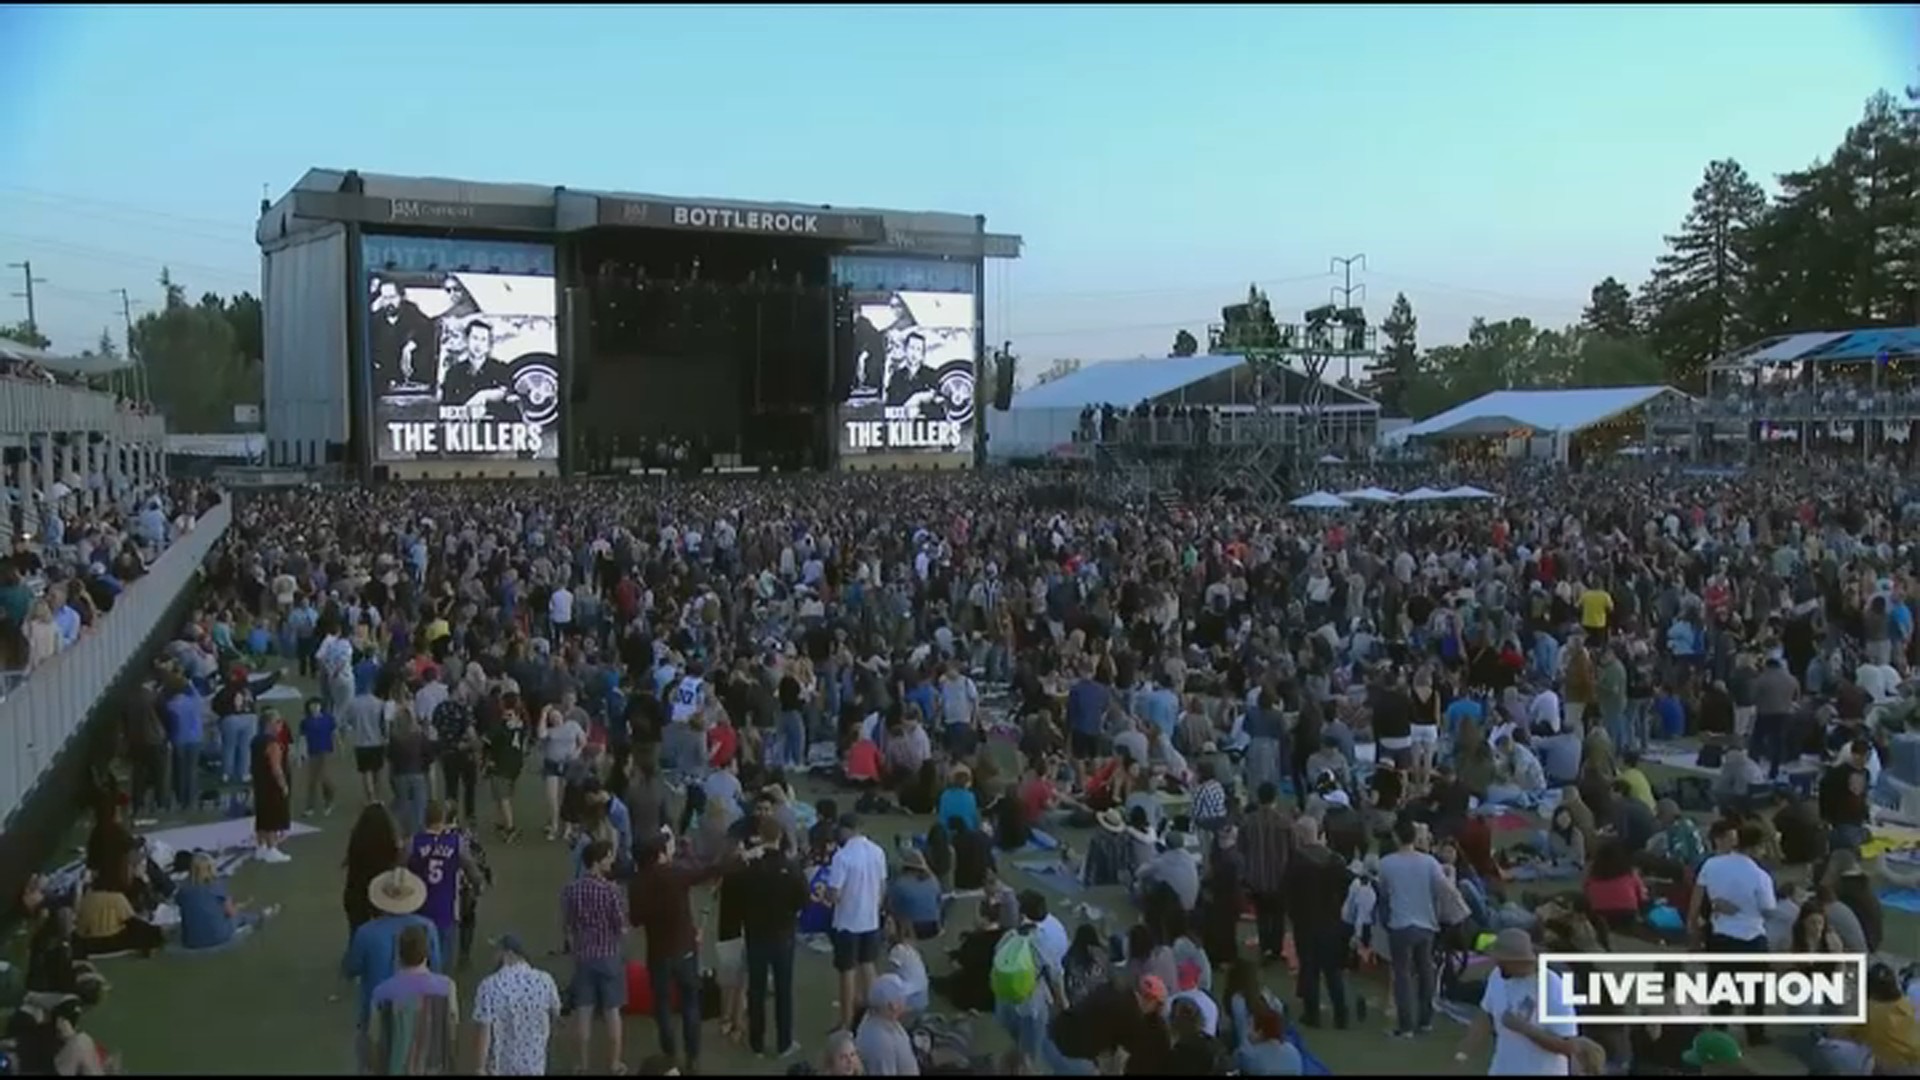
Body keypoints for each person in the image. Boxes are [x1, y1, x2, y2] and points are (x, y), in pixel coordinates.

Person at [343, 869, 443, 1074]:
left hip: (376, 1011)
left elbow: (351, 968)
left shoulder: (366, 932)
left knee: (372, 1064)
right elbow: (437, 966)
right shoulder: (427, 928)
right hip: (419, 1009)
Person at [1454, 928, 1579, 1075]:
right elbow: (1485, 1016)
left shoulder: (1552, 986)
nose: (1496, 963)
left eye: (1501, 961)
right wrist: (1463, 1054)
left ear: (1517, 960)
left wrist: (1524, 1028)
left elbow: (1568, 1046)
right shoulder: (1497, 976)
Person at [561, 838, 629, 1075]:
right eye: (608, 857)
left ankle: (582, 1064)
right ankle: (614, 1063)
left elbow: (568, 925)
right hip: (609, 956)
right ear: (598, 862)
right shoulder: (611, 891)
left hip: (584, 957)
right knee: (612, 1013)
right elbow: (620, 925)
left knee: (583, 1012)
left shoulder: (571, 889)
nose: (611, 861)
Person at [368, 923, 459, 1076]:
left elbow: (375, 1039)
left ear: (399, 954)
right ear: (427, 953)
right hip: (434, 1067)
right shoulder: (447, 987)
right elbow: (452, 1030)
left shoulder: (381, 992)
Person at [826, 813, 889, 1030]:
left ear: (846, 830)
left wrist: (826, 896)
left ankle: (846, 1020)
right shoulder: (878, 851)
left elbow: (834, 894)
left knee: (847, 971)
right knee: (868, 966)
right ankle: (876, 1014)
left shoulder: (842, 857)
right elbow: (882, 887)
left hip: (847, 921)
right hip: (870, 919)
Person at [469, 933, 562, 1077]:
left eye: (497, 951)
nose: (494, 956)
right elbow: (555, 1015)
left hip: (501, 1065)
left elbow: (484, 1030)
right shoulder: (545, 980)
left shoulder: (489, 985)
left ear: (508, 954)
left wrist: (479, 1067)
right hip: (535, 1063)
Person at [175, 851, 274, 950]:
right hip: (219, 937)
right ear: (211, 868)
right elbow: (230, 913)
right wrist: (237, 908)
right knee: (240, 917)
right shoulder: (217, 885)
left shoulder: (182, 889)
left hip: (190, 942)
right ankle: (262, 916)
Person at [854, 973, 920, 1076]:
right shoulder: (881, 1043)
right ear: (892, 1006)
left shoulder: (886, 1020)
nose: (906, 1000)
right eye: (903, 997)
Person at [251, 710, 294, 863]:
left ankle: (261, 847)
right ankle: (272, 848)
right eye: (278, 722)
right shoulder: (273, 743)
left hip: (260, 783)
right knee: (273, 817)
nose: (281, 725)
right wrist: (283, 785)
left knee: (262, 815)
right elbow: (276, 767)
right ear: (269, 724)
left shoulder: (256, 740)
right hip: (272, 785)